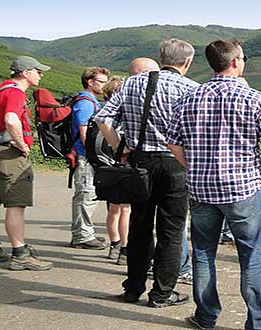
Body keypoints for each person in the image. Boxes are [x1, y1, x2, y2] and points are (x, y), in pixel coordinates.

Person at [167, 38, 261, 330]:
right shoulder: (254, 99)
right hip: (242, 188)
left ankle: (206, 316)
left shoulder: (189, 97)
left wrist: (192, 165)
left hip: (202, 189)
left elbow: (172, 142)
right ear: (235, 62)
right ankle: (260, 321)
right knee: (252, 255)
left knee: (203, 254)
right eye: (242, 57)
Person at [96, 39, 199, 307]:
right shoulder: (192, 89)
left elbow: (103, 120)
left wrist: (122, 148)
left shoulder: (132, 83)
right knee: (171, 231)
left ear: (160, 57)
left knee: (139, 226)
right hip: (176, 165)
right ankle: (162, 293)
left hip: (140, 162)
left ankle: (133, 289)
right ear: (187, 62)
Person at [0, 56, 52, 270]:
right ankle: (20, 254)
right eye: (38, 70)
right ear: (26, 72)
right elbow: (11, 119)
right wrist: (22, 144)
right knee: (16, 205)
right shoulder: (16, 92)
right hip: (10, 155)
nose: (41, 74)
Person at [69, 67, 110, 250]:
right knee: (86, 195)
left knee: (87, 195)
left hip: (86, 156)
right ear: (90, 82)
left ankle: (84, 233)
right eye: (102, 82)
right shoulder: (85, 103)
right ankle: (82, 236)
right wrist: (95, 157)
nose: (105, 85)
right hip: (84, 157)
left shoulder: (90, 101)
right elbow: (84, 133)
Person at [101, 75, 131, 264]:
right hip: (123, 164)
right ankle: (125, 249)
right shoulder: (126, 118)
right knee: (126, 210)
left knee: (113, 209)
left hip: (106, 166)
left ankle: (114, 245)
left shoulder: (102, 114)